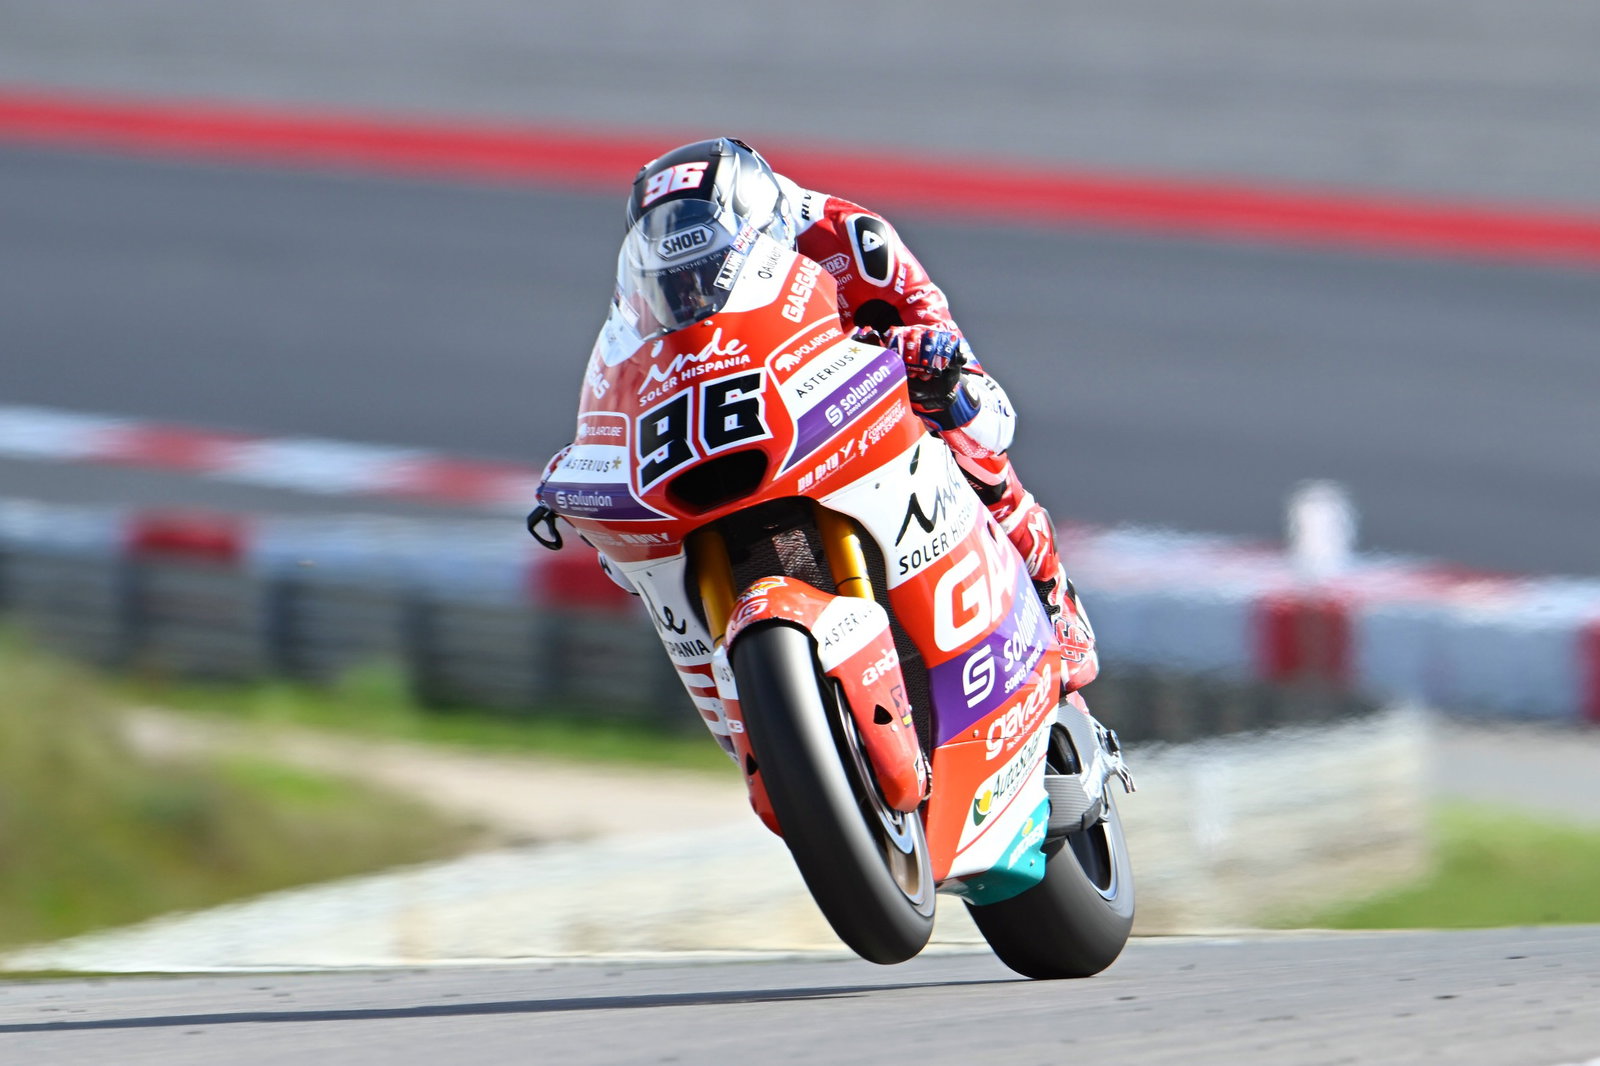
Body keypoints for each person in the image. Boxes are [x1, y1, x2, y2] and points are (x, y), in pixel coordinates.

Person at [573, 137, 1098, 694]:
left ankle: (1049, 595)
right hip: (744, 430)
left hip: (860, 410)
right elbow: (619, 394)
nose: (693, 293)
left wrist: (939, 376)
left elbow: (990, 409)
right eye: (677, 281)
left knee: (969, 435)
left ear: (766, 230)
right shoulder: (636, 304)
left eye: (710, 270)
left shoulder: (853, 242)